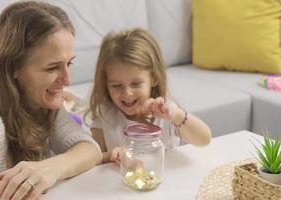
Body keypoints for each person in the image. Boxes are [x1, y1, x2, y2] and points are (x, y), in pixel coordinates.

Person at [0, 1, 101, 200]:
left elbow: (90, 149)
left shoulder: (38, 99)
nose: (67, 80)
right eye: (52, 68)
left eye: (69, 63)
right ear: (13, 67)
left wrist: (49, 169)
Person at [87, 28, 212, 164]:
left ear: (154, 78)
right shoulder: (105, 115)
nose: (127, 93)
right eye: (116, 85)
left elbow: (204, 139)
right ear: (106, 83)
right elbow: (94, 159)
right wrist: (111, 155)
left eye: (135, 83)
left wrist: (177, 116)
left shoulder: (166, 115)